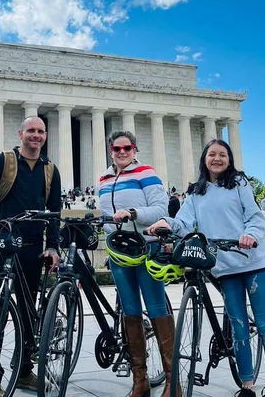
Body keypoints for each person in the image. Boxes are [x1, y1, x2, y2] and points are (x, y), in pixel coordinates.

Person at [147, 139, 265, 397]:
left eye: (223, 154)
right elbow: (184, 221)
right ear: (205, 159)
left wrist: (250, 235)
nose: (217, 159)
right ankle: (247, 386)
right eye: (212, 154)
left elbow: (254, 216)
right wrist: (165, 223)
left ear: (229, 159)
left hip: (251, 260)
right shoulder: (196, 191)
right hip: (224, 267)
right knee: (238, 326)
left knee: (264, 323)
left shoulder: (239, 183)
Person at [0, 116, 62, 396]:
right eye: (31, 130)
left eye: (41, 131)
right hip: (1, 242)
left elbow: (54, 214)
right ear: (20, 133)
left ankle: (23, 372)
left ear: (45, 136)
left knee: (29, 312)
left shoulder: (50, 170)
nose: (36, 135)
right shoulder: (4, 161)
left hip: (31, 246)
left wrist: (53, 246)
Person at [99, 131, 175, 397]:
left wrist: (134, 214)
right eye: (117, 148)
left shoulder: (146, 172)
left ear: (135, 149)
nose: (122, 152)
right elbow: (108, 218)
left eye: (127, 147)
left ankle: (171, 382)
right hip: (121, 254)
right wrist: (109, 239)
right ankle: (139, 380)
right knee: (130, 313)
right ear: (110, 150)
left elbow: (159, 208)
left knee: (155, 309)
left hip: (147, 248)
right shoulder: (104, 179)